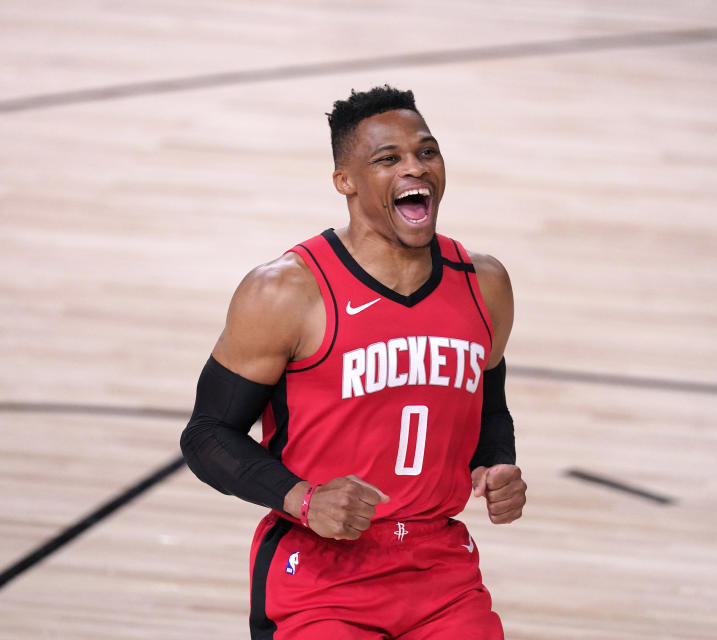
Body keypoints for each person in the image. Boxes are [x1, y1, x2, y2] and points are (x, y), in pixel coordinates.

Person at [180, 85, 526, 640]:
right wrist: (303, 498)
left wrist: (497, 461)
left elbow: (489, 402)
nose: (415, 168)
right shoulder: (288, 291)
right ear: (346, 181)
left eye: (427, 152)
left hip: (440, 570)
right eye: (388, 159)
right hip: (321, 575)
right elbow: (207, 435)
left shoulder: (485, 284)